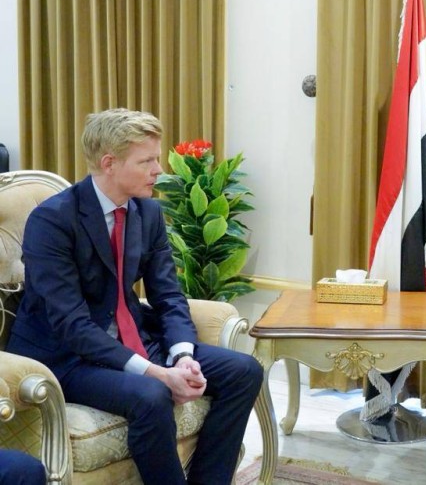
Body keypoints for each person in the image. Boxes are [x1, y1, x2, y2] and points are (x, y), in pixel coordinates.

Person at [7, 108, 264, 485]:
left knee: (243, 370)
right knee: (151, 394)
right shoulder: (53, 221)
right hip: (66, 356)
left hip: (130, 337)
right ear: (109, 163)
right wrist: (158, 373)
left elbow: (168, 295)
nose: (159, 170)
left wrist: (183, 356)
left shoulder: (148, 212)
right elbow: (71, 324)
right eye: (147, 161)